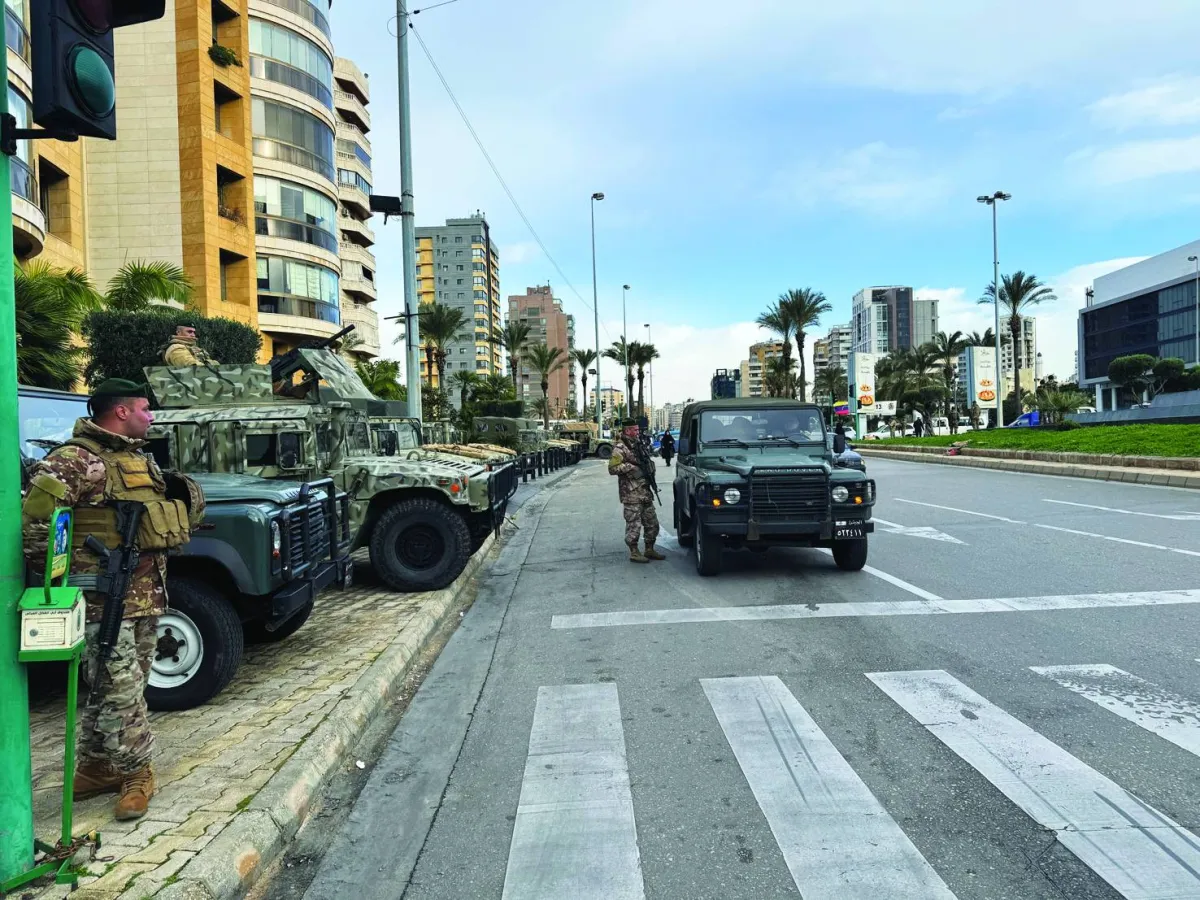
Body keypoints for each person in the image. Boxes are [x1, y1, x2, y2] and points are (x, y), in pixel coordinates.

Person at [22, 379, 204, 821]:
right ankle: (137, 771)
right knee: (119, 689)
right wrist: (80, 574)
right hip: (105, 600)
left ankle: (98, 765)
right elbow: (33, 527)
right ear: (121, 412)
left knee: (118, 685)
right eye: (145, 408)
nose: (151, 416)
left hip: (144, 595)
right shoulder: (73, 461)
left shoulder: (136, 459)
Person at [608, 418, 664, 563]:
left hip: (645, 491)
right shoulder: (620, 448)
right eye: (635, 430)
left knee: (652, 523)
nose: (638, 432)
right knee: (634, 525)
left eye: (638, 430)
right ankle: (634, 551)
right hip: (631, 493)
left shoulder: (638, 445)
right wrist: (631, 468)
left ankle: (649, 549)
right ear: (627, 431)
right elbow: (613, 468)